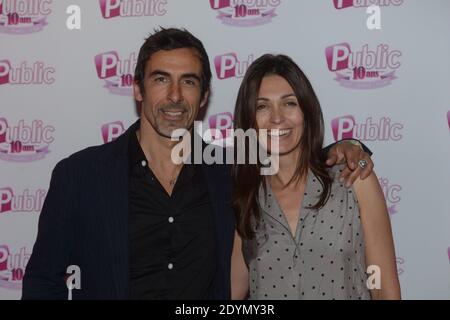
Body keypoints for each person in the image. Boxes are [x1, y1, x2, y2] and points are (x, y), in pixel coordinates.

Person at [22, 28, 374, 300]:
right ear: (137, 89)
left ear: (204, 96)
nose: (174, 96)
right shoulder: (80, 177)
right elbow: (43, 283)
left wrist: (346, 147)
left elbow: (288, 155)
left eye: (188, 82)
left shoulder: (228, 174)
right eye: (161, 79)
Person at [231, 54, 400, 300]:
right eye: (262, 106)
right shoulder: (245, 198)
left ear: (307, 111)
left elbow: (384, 290)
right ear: (249, 121)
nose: (277, 117)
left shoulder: (354, 180)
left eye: (289, 103)